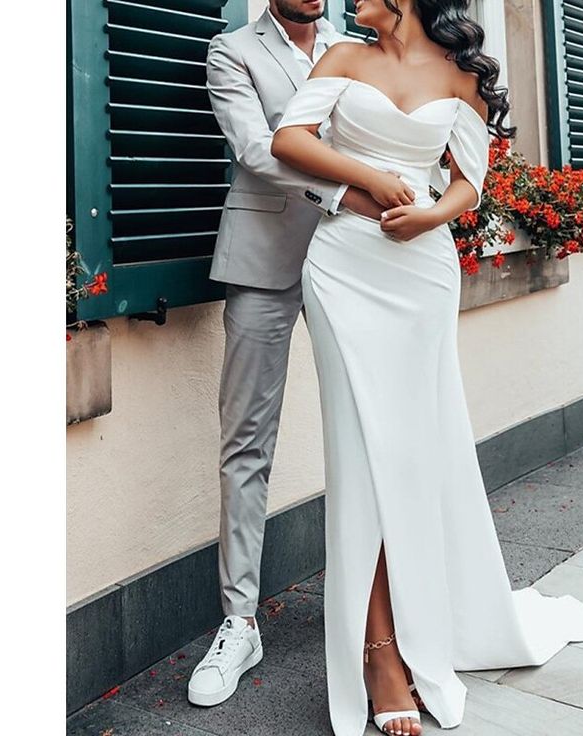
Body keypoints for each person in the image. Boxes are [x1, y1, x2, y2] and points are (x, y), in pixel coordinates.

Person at [270, 1, 583, 735]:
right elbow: (288, 141)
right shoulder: (341, 59)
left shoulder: (463, 76)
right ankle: (379, 653)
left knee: (408, 454)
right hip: (344, 264)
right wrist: (369, 180)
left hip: (422, 274)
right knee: (362, 454)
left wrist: (435, 216)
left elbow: (470, 182)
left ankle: (410, 628)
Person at [187, 0, 382, 708]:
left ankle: (381, 617)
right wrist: (350, 192)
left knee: (374, 431)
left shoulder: (360, 47)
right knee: (246, 444)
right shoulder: (231, 49)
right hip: (264, 261)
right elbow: (254, 146)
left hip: (358, 262)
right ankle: (240, 622)